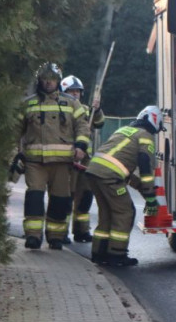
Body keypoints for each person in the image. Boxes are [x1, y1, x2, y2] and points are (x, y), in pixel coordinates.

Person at [18, 62, 91, 250]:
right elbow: (15, 131)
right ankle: (33, 235)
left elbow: (82, 126)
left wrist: (81, 145)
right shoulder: (28, 104)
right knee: (34, 197)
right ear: (39, 80)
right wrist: (16, 155)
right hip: (35, 162)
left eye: (52, 79)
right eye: (45, 79)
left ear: (58, 81)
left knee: (60, 199)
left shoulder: (71, 103)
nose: (48, 83)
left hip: (62, 163)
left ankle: (56, 236)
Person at [83, 106, 163, 267]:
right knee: (125, 212)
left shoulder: (124, 130)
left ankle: (99, 253)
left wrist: (143, 191)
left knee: (106, 213)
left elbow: (124, 171)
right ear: (155, 121)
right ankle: (117, 254)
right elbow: (145, 168)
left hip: (94, 172)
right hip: (109, 176)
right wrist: (150, 196)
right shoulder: (145, 136)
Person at [60, 75, 104, 243]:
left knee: (85, 196)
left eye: (78, 91)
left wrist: (97, 110)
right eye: (72, 91)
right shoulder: (59, 109)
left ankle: (81, 231)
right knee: (65, 197)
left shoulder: (87, 110)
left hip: (85, 161)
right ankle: (61, 233)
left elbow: (100, 123)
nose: (75, 94)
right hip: (68, 159)